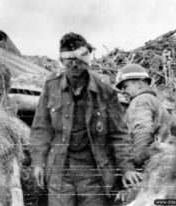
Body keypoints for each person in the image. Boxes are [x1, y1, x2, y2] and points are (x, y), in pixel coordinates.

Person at [29, 32, 140, 206]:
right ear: (62, 61)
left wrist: (127, 168)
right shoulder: (52, 85)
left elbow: (119, 133)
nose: (74, 66)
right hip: (60, 169)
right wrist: (37, 163)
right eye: (68, 61)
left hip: (93, 171)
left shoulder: (105, 90)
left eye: (79, 60)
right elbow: (41, 127)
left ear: (87, 59)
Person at [115, 64, 171, 169]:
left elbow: (142, 129)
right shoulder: (153, 101)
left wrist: (137, 161)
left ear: (140, 84)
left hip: (154, 162)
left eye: (125, 86)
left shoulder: (140, 100)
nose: (122, 91)